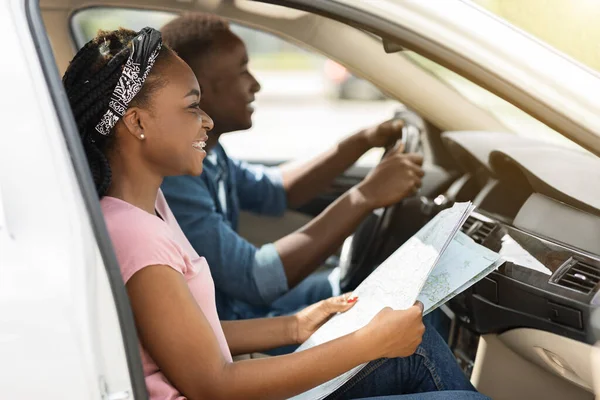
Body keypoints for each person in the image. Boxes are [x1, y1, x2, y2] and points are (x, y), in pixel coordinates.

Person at [62, 27, 489, 400]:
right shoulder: (138, 236)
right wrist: (367, 343)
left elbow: (183, 336)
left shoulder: (145, 210)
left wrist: (295, 327)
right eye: (192, 106)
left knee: (417, 349)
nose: (206, 120)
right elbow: (216, 384)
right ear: (137, 123)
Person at [160, 13, 425, 322]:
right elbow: (255, 279)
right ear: (198, 89)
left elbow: (276, 190)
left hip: (243, 311)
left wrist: (362, 142)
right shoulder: (176, 176)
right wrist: (366, 196)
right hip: (231, 332)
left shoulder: (213, 155)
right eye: (242, 71)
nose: (255, 84)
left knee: (377, 293)